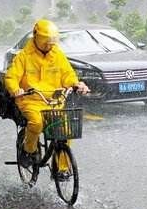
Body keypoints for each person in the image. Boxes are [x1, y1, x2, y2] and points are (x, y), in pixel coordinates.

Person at [5, 19, 90, 171]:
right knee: (37, 123)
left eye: (51, 41)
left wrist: (76, 84)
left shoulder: (57, 54)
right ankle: (28, 150)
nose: (49, 45)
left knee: (65, 131)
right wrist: (15, 89)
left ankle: (62, 168)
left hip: (55, 100)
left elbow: (67, 74)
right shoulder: (24, 56)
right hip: (31, 100)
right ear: (36, 37)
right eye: (46, 41)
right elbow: (11, 77)